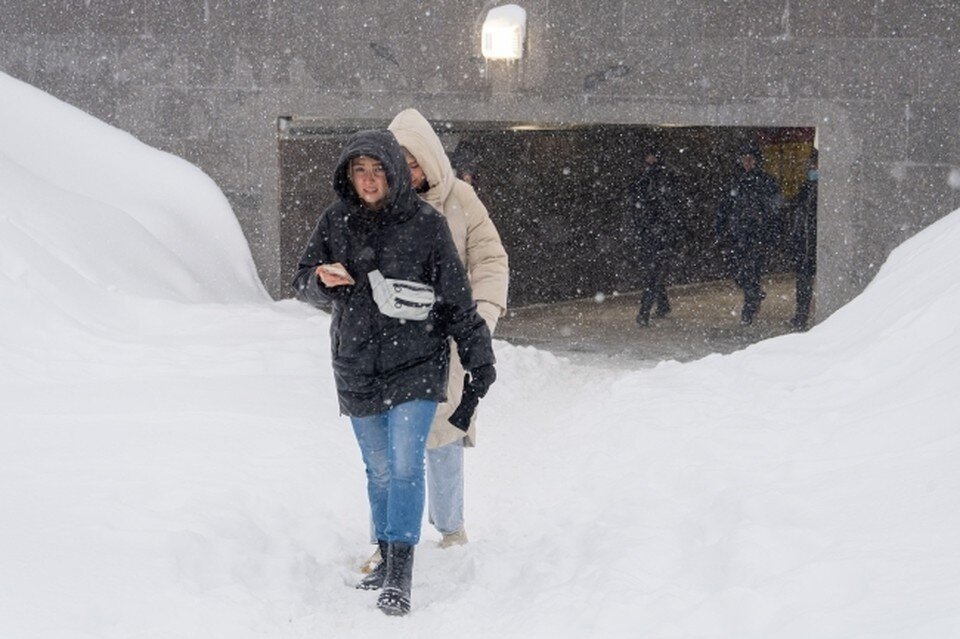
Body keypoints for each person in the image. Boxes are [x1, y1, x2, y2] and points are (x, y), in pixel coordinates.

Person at [292, 129, 496, 617]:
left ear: (395, 174)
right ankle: (385, 558)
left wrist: (478, 355)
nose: (368, 180)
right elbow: (302, 280)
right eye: (359, 171)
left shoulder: (425, 224)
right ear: (348, 175)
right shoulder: (334, 220)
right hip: (357, 364)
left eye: (378, 170)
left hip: (417, 363)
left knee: (406, 465)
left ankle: (400, 573)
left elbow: (455, 298)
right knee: (379, 469)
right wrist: (324, 284)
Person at [388, 108, 509, 550]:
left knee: (442, 434)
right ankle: (390, 537)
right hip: (394, 341)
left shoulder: (462, 199)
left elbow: (491, 259)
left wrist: (480, 319)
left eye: (414, 163)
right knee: (390, 446)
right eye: (398, 164)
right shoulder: (381, 204)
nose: (407, 174)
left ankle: (450, 529)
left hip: (448, 338)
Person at [715, 143, 783, 325]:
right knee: (739, 272)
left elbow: (775, 208)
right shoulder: (735, 181)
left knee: (752, 270)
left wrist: (772, 230)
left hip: (758, 234)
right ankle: (753, 294)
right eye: (744, 159)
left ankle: (749, 309)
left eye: (750, 159)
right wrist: (721, 228)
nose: (747, 163)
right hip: (738, 234)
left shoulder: (766, 182)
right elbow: (724, 206)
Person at [627, 145, 680, 327]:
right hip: (651, 233)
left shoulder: (659, 178)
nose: (650, 159)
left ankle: (644, 312)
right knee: (654, 272)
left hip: (657, 234)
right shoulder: (648, 178)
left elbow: (668, 206)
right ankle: (661, 305)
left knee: (653, 273)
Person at [788, 149, 818, 330]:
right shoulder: (806, 187)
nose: (812, 169)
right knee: (803, 282)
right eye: (811, 166)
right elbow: (797, 207)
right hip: (805, 244)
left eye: (814, 165)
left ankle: (802, 317)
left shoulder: (824, 188)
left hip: (814, 243)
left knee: (806, 281)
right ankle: (801, 316)